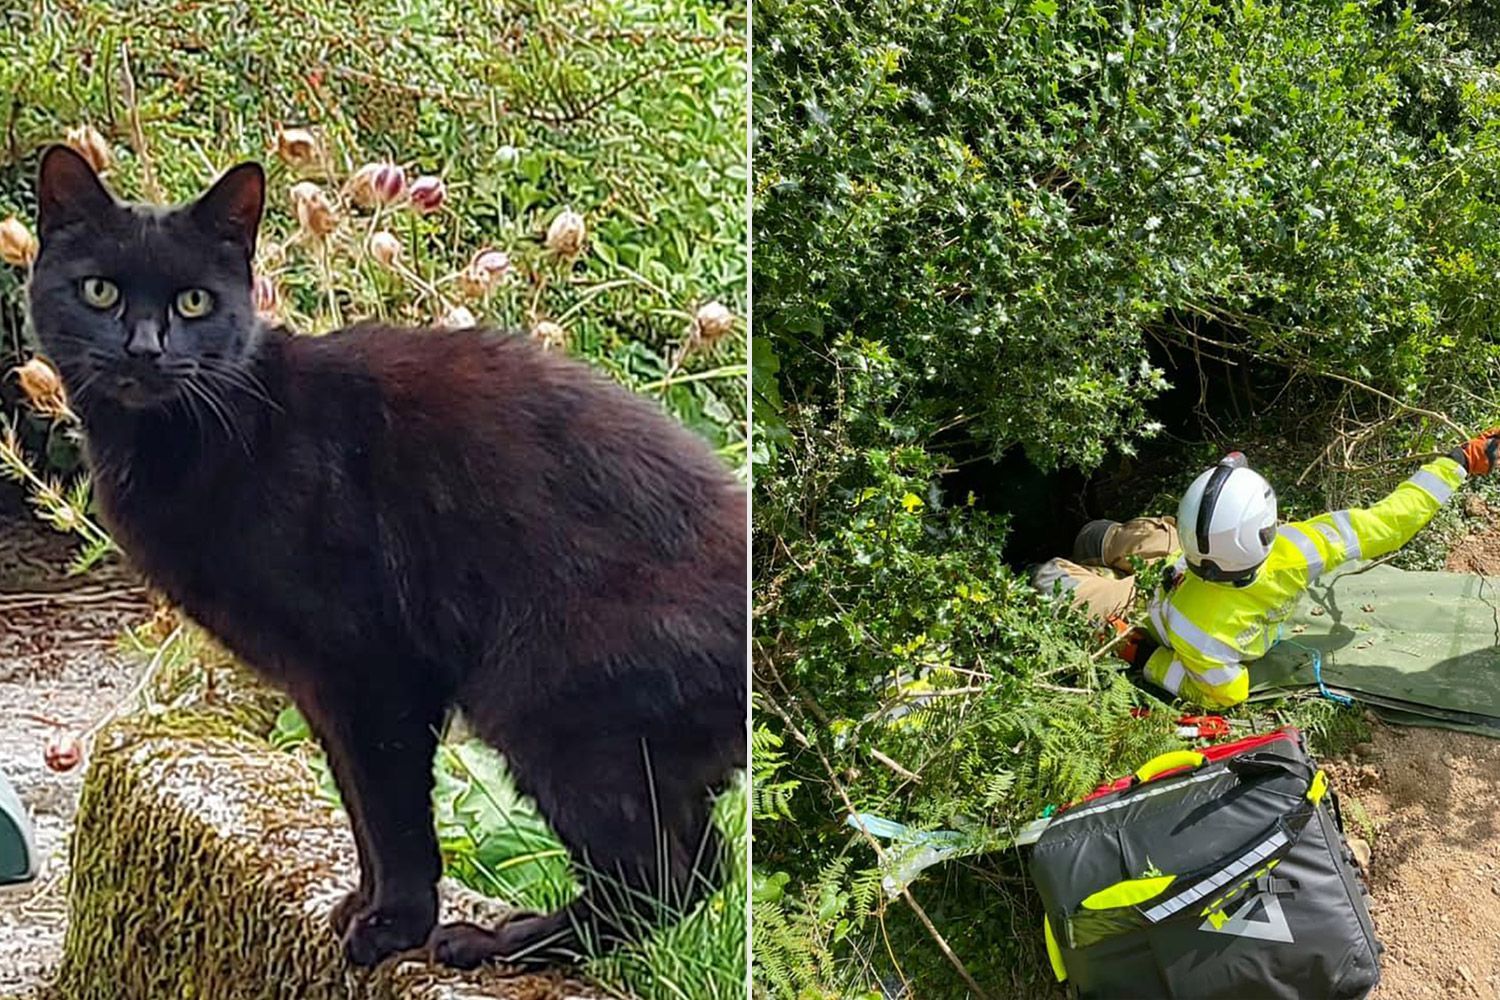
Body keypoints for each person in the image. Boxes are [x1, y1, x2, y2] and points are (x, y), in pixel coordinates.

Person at [1031, 429, 1500, 707]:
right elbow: (1391, 523)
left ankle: (1094, 551)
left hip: (1148, 607)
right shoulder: (1300, 548)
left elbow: (1222, 694)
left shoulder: (1199, 633)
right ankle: (1103, 544)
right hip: (1178, 568)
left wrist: (1144, 657)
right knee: (1130, 538)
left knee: (1051, 575)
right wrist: (1459, 461)